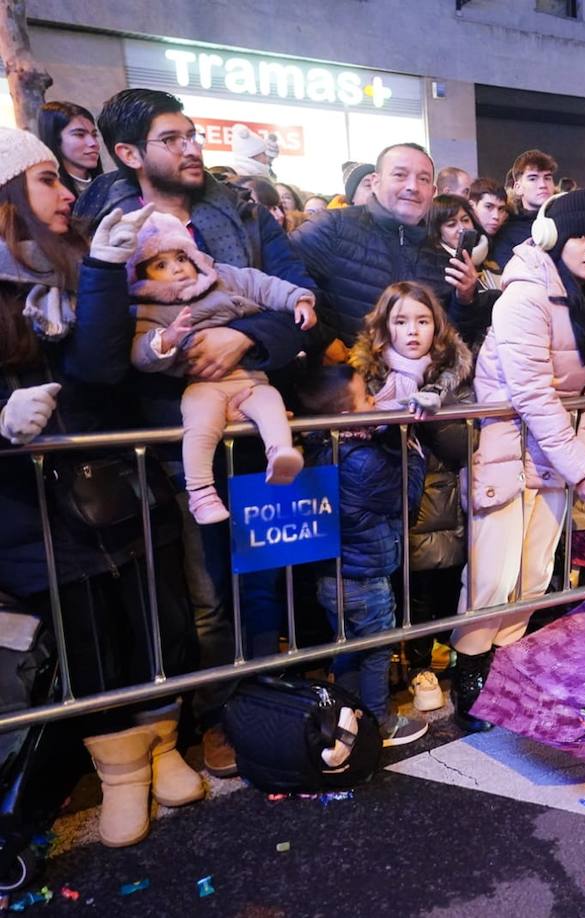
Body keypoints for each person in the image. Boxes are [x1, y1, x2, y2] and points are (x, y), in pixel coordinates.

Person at [75, 88, 314, 778]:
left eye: (191, 135)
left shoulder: (236, 209)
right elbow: (99, 357)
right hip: (172, 440)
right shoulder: (104, 225)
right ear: (127, 154)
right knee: (205, 593)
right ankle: (218, 715)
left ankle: (266, 701)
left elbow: (295, 297)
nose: (191, 148)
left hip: (259, 422)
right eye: (171, 138)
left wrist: (241, 337)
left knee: (267, 580)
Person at [0, 126, 205, 850]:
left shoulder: (80, 264)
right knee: (91, 648)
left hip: (122, 492)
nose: (64, 192)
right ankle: (120, 774)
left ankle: (164, 746)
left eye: (61, 178)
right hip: (37, 514)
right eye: (45, 180)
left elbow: (99, 373)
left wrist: (103, 273)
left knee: (159, 626)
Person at [450, 190, 585, 732]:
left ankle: (505, 662)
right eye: (582, 236)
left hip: (560, 451)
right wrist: (583, 469)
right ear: (552, 238)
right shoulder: (524, 296)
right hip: (509, 449)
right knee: (494, 572)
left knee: (535, 573)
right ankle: (469, 668)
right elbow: (532, 393)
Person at [123, 211, 315, 524]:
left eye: (181, 257)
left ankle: (279, 454)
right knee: (201, 426)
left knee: (271, 403)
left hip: (250, 378)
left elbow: (262, 285)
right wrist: (168, 338)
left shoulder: (220, 277)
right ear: (143, 273)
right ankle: (200, 493)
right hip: (203, 384)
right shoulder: (149, 307)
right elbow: (140, 354)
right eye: (161, 265)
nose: (177, 268)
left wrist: (298, 300)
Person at [349, 281, 474, 709]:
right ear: (385, 327)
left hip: (443, 502)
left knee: (436, 583)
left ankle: (426, 661)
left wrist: (433, 408)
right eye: (401, 321)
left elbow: (461, 444)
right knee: (401, 589)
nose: (413, 331)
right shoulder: (367, 379)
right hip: (390, 502)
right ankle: (410, 665)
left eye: (422, 321)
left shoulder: (452, 374)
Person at [296, 365, 427, 747]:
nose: (375, 402)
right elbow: (408, 498)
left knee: (348, 649)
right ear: (346, 417)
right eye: (367, 398)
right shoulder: (361, 459)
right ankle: (379, 721)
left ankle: (347, 717)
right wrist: (412, 450)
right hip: (364, 578)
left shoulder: (320, 446)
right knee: (375, 650)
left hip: (330, 578)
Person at [290, 142, 477, 353]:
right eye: (400, 175)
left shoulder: (442, 258)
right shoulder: (333, 227)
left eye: (423, 179)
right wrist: (322, 343)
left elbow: (452, 338)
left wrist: (465, 299)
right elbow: (281, 277)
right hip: (340, 376)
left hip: (417, 381)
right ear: (375, 182)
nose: (412, 187)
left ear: (432, 192)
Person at [490, 149, 557, 269]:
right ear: (518, 188)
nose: (542, 185)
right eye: (533, 178)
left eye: (547, 178)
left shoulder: (566, 220)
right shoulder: (506, 233)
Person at [38, 101, 103, 199]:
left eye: (94, 135)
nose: (93, 143)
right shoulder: (47, 194)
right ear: (55, 139)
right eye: (79, 135)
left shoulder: (110, 186)